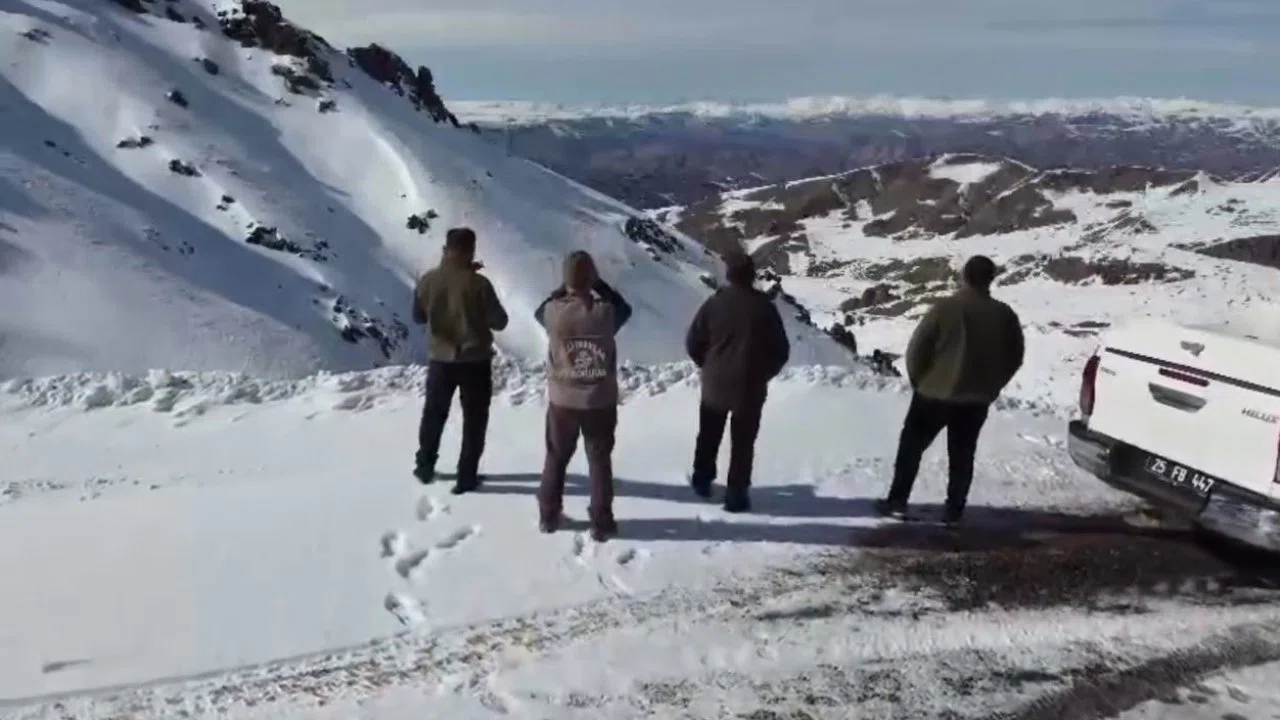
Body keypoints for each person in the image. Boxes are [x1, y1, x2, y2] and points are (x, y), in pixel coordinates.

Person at [877, 254, 1025, 524]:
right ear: (991, 279)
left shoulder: (945, 308)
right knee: (963, 454)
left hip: (935, 393)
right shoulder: (1004, 314)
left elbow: (917, 350)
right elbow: (1015, 356)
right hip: (977, 397)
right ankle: (955, 509)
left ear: (964, 276)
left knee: (911, 447)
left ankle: (897, 501)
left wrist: (920, 382)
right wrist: (992, 385)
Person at [533, 251, 632, 541]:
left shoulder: (553, 313)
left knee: (556, 457)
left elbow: (539, 311)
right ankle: (602, 522)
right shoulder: (605, 313)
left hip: (563, 399)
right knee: (599, 461)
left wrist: (563, 289)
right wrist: (598, 285)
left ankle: (549, 516)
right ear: (591, 278)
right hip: (599, 399)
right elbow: (625, 309)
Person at [685, 251, 790, 513]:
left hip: (715, 383)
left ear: (729, 275)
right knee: (743, 443)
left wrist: (709, 366)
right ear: (752, 275)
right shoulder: (764, 307)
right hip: (750, 387)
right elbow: (781, 351)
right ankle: (736, 494)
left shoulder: (714, 304)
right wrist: (762, 374)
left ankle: (702, 480)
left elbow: (693, 342)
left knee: (709, 434)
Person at [411, 227, 509, 494]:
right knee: (474, 420)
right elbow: (500, 322)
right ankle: (466, 476)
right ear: (471, 252)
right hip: (475, 362)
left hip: (440, 360)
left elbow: (418, 317)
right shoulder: (480, 284)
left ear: (445, 250)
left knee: (433, 415)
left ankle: (425, 466)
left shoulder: (428, 280)